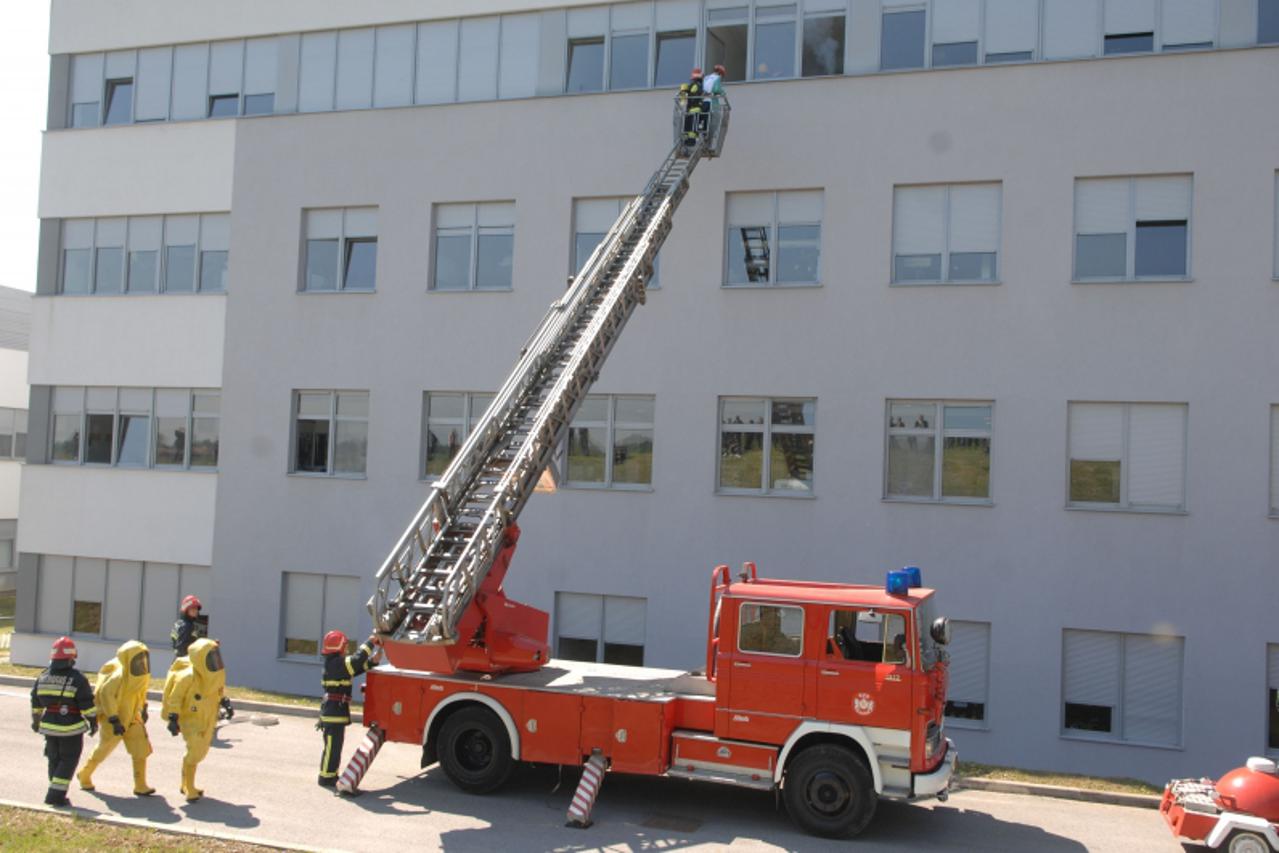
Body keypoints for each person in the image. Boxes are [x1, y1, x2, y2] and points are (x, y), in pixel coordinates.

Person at [78, 640, 155, 796]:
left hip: (133, 717)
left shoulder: (140, 674)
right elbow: (107, 696)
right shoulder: (117, 677)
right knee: (104, 749)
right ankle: (84, 774)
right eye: (138, 658)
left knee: (140, 748)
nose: (142, 661)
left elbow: (141, 690)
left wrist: (144, 707)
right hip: (114, 720)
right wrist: (114, 719)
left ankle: (140, 785)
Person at [30, 636, 97, 806]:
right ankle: (55, 796)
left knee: (54, 759)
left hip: (49, 727)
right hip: (70, 729)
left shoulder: (43, 677)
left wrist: (36, 721)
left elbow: (35, 701)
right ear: (71, 657)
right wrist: (93, 722)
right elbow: (86, 704)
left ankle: (55, 790)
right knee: (68, 760)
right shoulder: (77, 679)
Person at [162, 638, 226, 802]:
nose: (215, 660)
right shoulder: (187, 677)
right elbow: (175, 698)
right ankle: (189, 787)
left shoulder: (216, 674)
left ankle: (187, 784)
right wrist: (173, 718)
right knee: (195, 750)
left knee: (201, 751)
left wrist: (225, 701)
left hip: (208, 718)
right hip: (190, 719)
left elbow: (219, 690)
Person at [318, 631, 383, 789]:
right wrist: (370, 641)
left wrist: (373, 661)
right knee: (332, 747)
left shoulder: (336, 664)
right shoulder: (334, 663)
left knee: (335, 747)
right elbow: (355, 661)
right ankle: (325, 777)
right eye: (345, 645)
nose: (346, 648)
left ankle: (331, 774)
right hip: (333, 713)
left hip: (335, 712)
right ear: (338, 646)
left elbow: (356, 668)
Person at [172, 595, 234, 722]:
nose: (196, 611)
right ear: (186, 609)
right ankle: (215, 708)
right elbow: (182, 646)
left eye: (196, 609)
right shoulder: (186, 626)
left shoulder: (181, 623)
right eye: (193, 609)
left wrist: (209, 643)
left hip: (181, 662)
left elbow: (192, 643)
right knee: (207, 685)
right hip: (187, 663)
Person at [678, 67, 706, 149]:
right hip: (695, 109)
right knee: (692, 127)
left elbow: (687, 95)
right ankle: (690, 141)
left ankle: (689, 141)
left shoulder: (693, 85)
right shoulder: (698, 85)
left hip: (691, 110)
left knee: (690, 126)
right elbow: (694, 94)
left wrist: (684, 92)